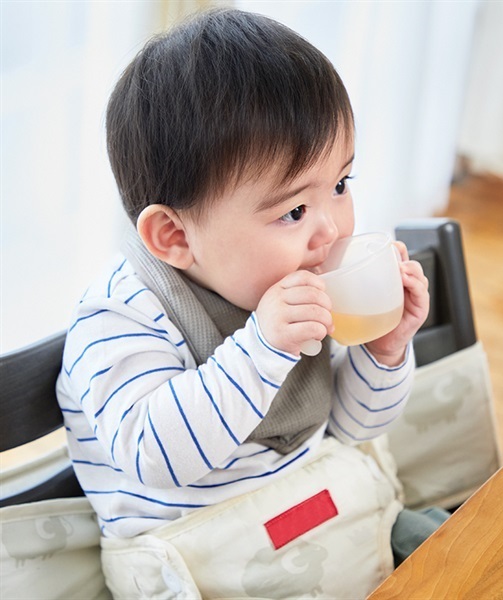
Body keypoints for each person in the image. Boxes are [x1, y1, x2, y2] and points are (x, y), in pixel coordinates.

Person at [57, 8, 445, 599]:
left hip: (325, 521)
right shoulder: (118, 318)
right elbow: (154, 459)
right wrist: (262, 348)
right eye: (294, 211)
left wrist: (384, 353)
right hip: (202, 564)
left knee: (472, 547)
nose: (331, 230)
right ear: (175, 236)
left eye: (341, 185)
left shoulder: (297, 278)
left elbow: (350, 425)